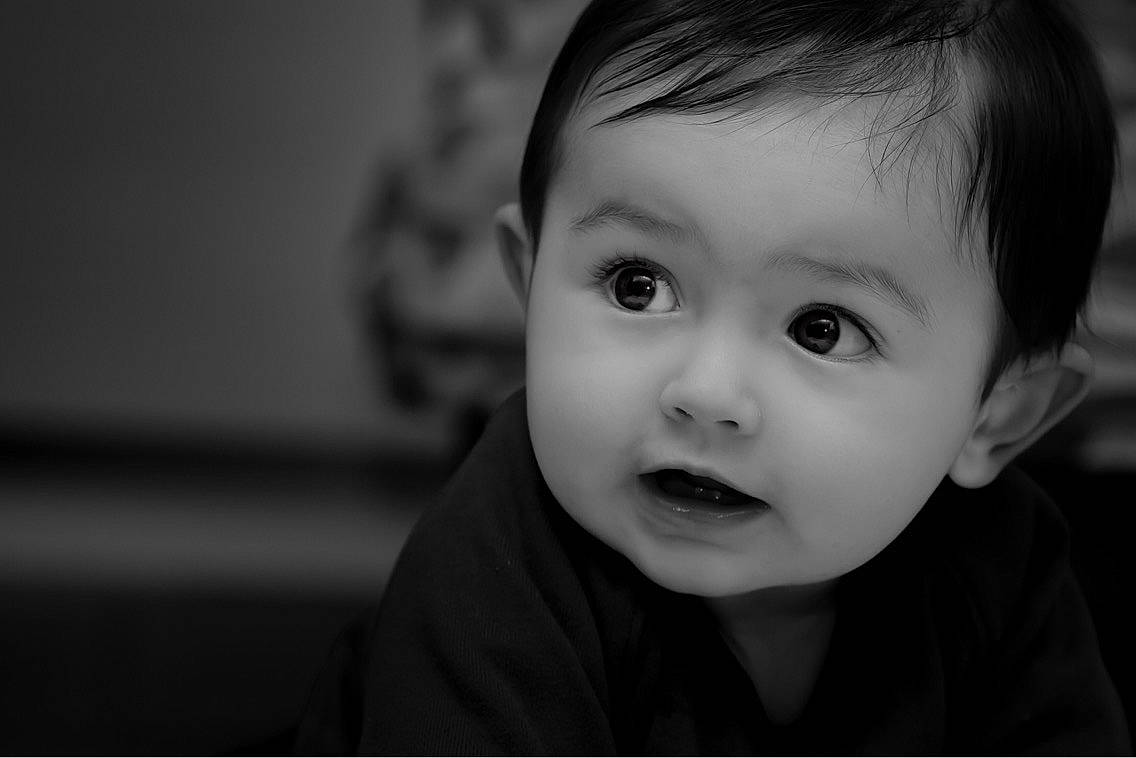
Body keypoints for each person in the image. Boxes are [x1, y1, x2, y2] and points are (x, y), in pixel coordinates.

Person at [296, 0, 1131, 752]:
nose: (706, 393)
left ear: (997, 415)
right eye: (638, 285)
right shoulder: (495, 570)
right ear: (528, 281)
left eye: (822, 329)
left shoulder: (1000, 574)